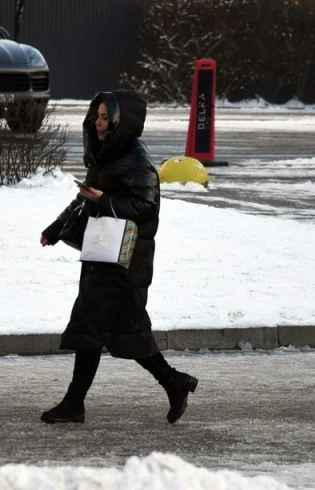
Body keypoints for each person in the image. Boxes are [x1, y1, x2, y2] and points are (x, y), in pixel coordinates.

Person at [39, 91, 198, 424]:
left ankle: (77, 403)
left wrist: (104, 201)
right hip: (103, 249)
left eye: (104, 118)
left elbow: (146, 207)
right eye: (95, 116)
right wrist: (56, 228)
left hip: (125, 257)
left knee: (105, 326)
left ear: (120, 123)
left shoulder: (137, 160)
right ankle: (171, 382)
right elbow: (86, 199)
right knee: (104, 326)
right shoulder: (107, 155)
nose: (97, 123)